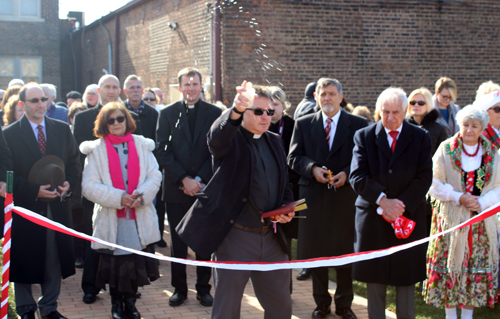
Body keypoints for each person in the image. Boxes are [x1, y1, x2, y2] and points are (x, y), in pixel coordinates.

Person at [176, 82, 295, 319]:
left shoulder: (275, 141)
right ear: (243, 113)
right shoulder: (232, 138)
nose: (265, 117)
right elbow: (216, 139)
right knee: (227, 309)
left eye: (269, 112)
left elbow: (284, 183)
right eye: (258, 111)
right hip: (236, 238)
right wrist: (234, 111)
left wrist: (286, 208)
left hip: (271, 238)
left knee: (281, 305)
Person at [349, 87, 432, 319]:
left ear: (405, 111)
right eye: (386, 112)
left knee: (405, 281)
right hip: (373, 220)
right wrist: (383, 201)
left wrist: (399, 206)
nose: (391, 117)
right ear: (379, 111)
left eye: (396, 112)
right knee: (375, 282)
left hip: (408, 217)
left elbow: (424, 176)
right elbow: (357, 176)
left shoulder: (420, 137)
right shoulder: (364, 136)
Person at [288, 77, 368, 319]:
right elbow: (293, 157)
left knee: (345, 253)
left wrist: (347, 173)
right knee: (317, 252)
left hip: (345, 198)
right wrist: (312, 168)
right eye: (323, 94)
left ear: (341, 97)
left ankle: (344, 304)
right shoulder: (303, 124)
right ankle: (321, 303)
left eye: (332, 94)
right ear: (316, 97)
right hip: (314, 197)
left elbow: (363, 158)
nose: (327, 98)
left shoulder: (358, 124)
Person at [3, 83, 81, 319]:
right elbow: (5, 175)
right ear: (22, 104)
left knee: (54, 256)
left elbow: (74, 163)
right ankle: (26, 309)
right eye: (34, 100)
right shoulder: (8, 134)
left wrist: (69, 182)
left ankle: (49, 308)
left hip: (57, 207)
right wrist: (34, 191)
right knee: (23, 257)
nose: (40, 104)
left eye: (43, 99)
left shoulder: (62, 129)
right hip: (26, 207)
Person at [80, 102, 161, 319]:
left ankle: (131, 304)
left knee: (134, 264)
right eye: (111, 120)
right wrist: (118, 198)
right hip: (111, 218)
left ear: (127, 120)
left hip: (138, 216)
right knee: (115, 266)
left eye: (120, 118)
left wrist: (141, 195)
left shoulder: (142, 145)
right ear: (104, 124)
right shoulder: (96, 150)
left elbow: (155, 175)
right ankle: (116, 305)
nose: (116, 123)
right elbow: (88, 186)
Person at [423, 106, 500, 319]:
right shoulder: (446, 149)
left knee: (472, 271)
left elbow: (498, 187)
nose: (469, 130)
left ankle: (467, 315)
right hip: (451, 222)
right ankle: (450, 315)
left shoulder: (492, 153)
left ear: (482, 128)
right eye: (465, 125)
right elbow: (434, 183)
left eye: (474, 126)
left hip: (480, 225)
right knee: (451, 267)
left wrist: (482, 201)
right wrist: (459, 197)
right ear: (459, 125)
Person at [73, 74, 143, 305]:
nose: (111, 91)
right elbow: (78, 155)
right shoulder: (84, 118)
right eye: (107, 87)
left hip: (126, 196)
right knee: (95, 242)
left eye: (115, 87)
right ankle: (91, 286)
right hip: (96, 192)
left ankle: (126, 285)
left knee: (123, 243)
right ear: (99, 89)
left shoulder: (126, 116)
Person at [156, 67, 221, 307]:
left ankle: (204, 288)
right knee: (178, 241)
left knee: (203, 239)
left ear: (201, 86)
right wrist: (183, 179)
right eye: (187, 84)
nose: (191, 88)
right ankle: (179, 289)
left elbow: (217, 150)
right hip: (176, 189)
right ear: (180, 87)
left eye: (195, 84)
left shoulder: (215, 113)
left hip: (205, 188)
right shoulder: (167, 113)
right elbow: (162, 149)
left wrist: (199, 180)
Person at [406, 87, 449, 237]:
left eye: (420, 102)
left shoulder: (439, 129)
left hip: (430, 183)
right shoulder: (402, 126)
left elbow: (445, 160)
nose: (416, 105)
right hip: (405, 183)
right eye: (412, 102)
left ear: (428, 105)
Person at [123, 75, 158, 142]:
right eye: (132, 88)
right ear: (125, 91)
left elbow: (157, 138)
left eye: (138, 87)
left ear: (142, 91)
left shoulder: (153, 113)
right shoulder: (120, 112)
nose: (135, 90)